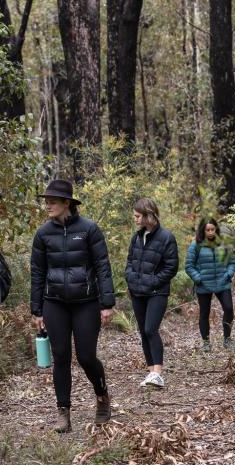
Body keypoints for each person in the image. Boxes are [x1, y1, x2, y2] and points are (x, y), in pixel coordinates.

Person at [30, 179, 116, 433]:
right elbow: (37, 272)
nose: (48, 206)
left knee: (87, 356)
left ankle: (102, 396)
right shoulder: (43, 234)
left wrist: (107, 303)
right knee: (61, 358)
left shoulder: (89, 229)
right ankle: (63, 413)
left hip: (86, 303)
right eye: (46, 202)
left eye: (52, 202)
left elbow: (102, 266)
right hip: (54, 303)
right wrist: (36, 309)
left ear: (67, 203)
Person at [124, 198, 179, 389]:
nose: (136, 220)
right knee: (143, 332)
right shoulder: (137, 237)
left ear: (149, 215)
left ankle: (158, 373)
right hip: (137, 292)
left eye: (138, 216)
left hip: (157, 292)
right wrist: (131, 279)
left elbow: (171, 267)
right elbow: (130, 261)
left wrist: (153, 282)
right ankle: (150, 373)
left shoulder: (166, 237)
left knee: (150, 329)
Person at [184, 217, 235, 351]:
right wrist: (198, 278)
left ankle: (227, 339)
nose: (211, 232)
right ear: (203, 230)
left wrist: (228, 274)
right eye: (208, 230)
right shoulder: (196, 244)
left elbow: (231, 262)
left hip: (222, 282)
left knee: (229, 309)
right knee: (204, 313)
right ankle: (206, 343)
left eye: (213, 229)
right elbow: (189, 265)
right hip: (204, 285)